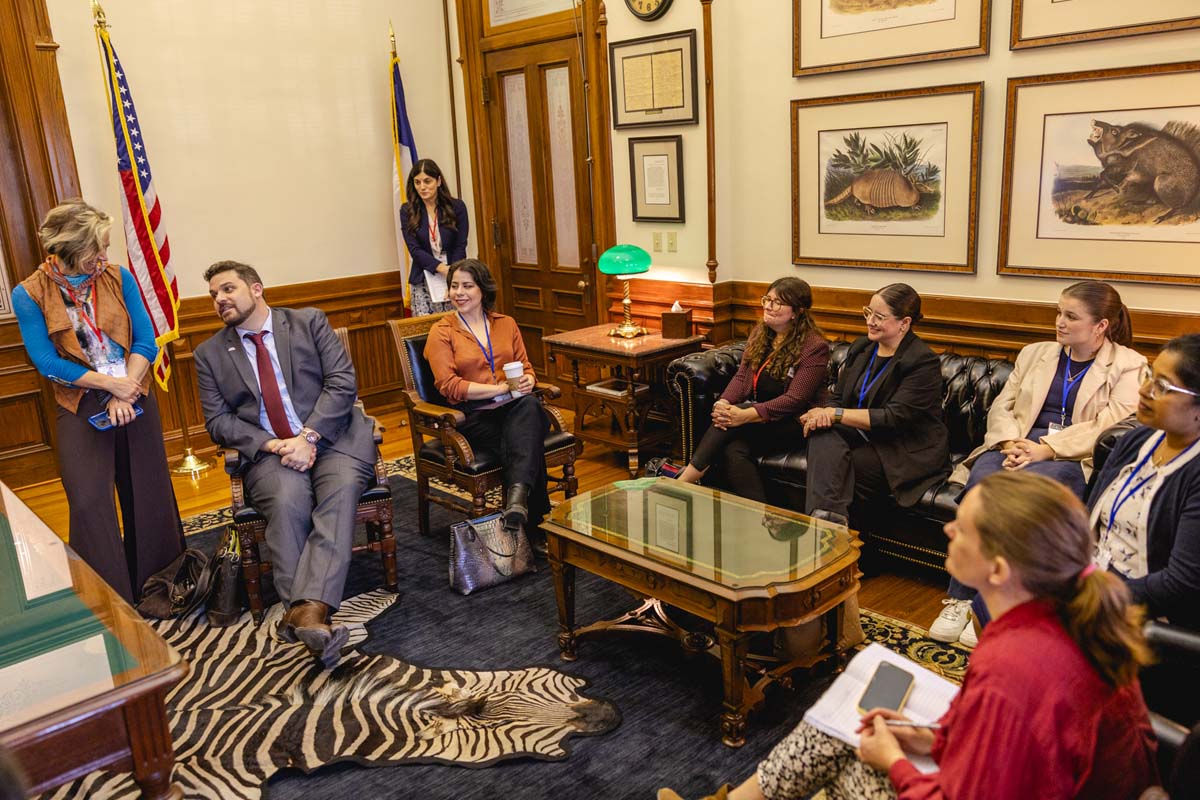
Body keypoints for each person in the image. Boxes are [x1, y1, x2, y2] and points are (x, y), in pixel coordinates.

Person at [659, 471, 1158, 800]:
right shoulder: (1067, 613)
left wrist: (896, 762)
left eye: (962, 528)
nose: (948, 532)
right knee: (841, 729)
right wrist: (931, 736)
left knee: (846, 767)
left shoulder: (1014, 665)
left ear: (1000, 568)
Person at [930, 280, 1147, 645]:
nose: (1059, 322)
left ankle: (988, 603)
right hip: (1012, 447)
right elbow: (1004, 405)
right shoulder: (1035, 353)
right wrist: (1011, 441)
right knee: (983, 493)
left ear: (1101, 326)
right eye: (1059, 313)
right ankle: (961, 597)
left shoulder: (1128, 365)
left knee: (1026, 510)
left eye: (1071, 316)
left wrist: (1045, 448)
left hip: (1068, 458)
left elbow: (1108, 425)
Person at [194, 260, 377, 665]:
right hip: (271, 452)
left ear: (256, 288)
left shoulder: (308, 322)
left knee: (340, 491)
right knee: (287, 499)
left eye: (227, 289)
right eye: (213, 295)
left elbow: (342, 382)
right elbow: (218, 421)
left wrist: (308, 437)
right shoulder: (209, 354)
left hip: (334, 438)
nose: (219, 300)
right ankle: (313, 613)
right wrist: (277, 446)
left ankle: (302, 610)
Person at [11, 200, 184, 604]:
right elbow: (46, 360)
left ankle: (159, 585)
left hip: (134, 387)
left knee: (147, 489)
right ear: (70, 249)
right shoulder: (29, 294)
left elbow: (145, 339)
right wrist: (109, 386)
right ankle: (107, 599)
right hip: (80, 399)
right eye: (96, 248)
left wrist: (126, 385)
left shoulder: (117, 277)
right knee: (88, 498)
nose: (104, 256)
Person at [799, 283, 950, 526]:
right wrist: (824, 415)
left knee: (845, 471)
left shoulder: (922, 361)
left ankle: (827, 533)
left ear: (905, 323)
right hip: (860, 434)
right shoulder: (862, 348)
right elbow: (838, 397)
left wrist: (834, 414)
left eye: (879, 317)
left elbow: (893, 418)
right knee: (820, 434)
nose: (870, 321)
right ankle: (830, 526)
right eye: (868, 312)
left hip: (901, 445)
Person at [424, 258, 551, 544]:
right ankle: (533, 522)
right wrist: (497, 390)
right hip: (473, 416)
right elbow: (449, 386)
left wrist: (529, 379)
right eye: (454, 286)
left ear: (483, 290)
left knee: (528, 408)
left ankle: (518, 501)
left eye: (467, 286)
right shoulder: (442, 332)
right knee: (527, 433)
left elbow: (525, 366)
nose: (459, 292)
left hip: (514, 406)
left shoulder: (506, 324)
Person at [674, 277, 829, 503]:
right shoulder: (761, 335)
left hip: (795, 422)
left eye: (777, 302)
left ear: (797, 311)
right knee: (733, 450)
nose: (768, 306)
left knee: (728, 426)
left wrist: (745, 415)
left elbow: (795, 399)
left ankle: (683, 482)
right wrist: (725, 402)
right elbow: (742, 378)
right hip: (761, 420)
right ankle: (760, 514)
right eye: (767, 299)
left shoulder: (814, 347)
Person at [1089, 333, 1200, 629]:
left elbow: (1180, 584)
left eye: (1162, 386)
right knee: (991, 602)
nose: (1144, 390)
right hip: (1092, 582)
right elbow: (1088, 518)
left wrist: (1092, 596)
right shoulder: (1138, 440)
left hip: (1145, 614)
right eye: (1149, 375)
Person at [399, 158, 469, 315]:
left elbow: (460, 244)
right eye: (417, 182)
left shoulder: (457, 207)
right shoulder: (407, 211)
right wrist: (441, 268)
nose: (422, 187)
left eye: (427, 181)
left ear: (438, 181)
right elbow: (414, 250)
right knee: (428, 333)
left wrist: (453, 274)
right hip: (424, 278)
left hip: (455, 276)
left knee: (456, 329)